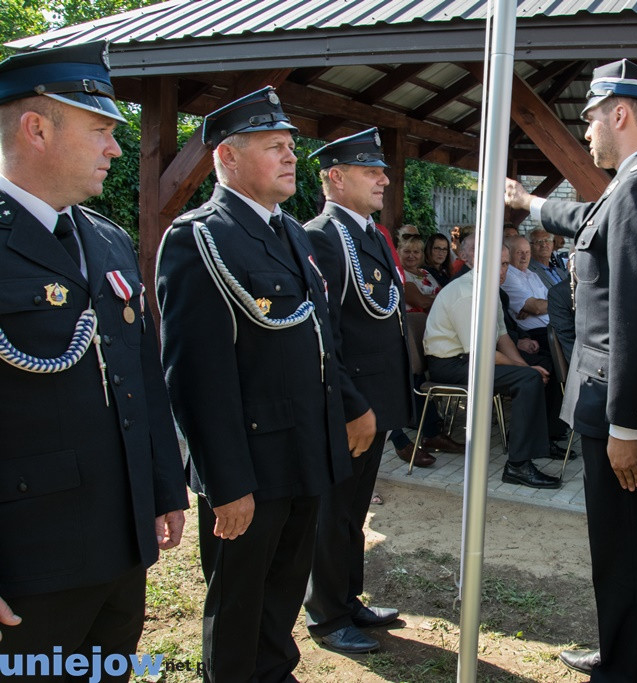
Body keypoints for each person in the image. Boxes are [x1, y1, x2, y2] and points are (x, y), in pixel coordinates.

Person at [505, 59, 637, 681]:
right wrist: (531, 204)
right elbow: (590, 222)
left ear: (619, 113)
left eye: (589, 119)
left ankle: (628, 667)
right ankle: (620, 652)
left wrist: (628, 426)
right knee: (617, 547)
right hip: (611, 403)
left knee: (629, 548)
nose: (585, 132)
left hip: (620, 408)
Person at [0, 40, 188, 663]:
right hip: (31, 558)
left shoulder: (104, 238)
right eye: (101, 130)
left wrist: (165, 487)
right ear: (36, 129)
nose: (115, 147)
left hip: (122, 542)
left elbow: (142, 375)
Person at [157, 86, 349, 680]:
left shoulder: (290, 232)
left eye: (291, 146)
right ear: (228, 158)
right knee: (238, 598)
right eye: (275, 147)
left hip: (302, 450)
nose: (292, 157)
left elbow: (315, 340)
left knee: (286, 583)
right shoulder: (200, 238)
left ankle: (274, 668)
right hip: (250, 462)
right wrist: (226, 481)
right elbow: (195, 375)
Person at [302, 128, 454, 655]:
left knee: (356, 508)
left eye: (382, 170)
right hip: (350, 407)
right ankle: (326, 615)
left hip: (376, 400)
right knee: (334, 510)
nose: (384, 179)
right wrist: (352, 407)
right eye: (372, 171)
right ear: (336, 178)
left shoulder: (367, 233)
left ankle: (348, 598)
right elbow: (325, 334)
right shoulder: (321, 235)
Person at [423, 233, 561, 489]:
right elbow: (481, 352)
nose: (502, 270)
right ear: (481, 262)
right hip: (450, 364)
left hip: (468, 358)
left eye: (505, 264)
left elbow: (502, 337)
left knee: (537, 370)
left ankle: (536, 446)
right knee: (529, 378)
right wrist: (526, 369)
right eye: (497, 264)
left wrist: (526, 366)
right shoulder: (467, 292)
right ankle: (518, 465)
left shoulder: (489, 290)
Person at [502, 235, 551, 346]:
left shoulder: (532, 275)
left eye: (527, 252)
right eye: (519, 253)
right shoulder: (507, 275)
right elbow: (536, 308)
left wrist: (538, 306)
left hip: (551, 329)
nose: (524, 257)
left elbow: (548, 301)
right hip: (536, 335)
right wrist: (535, 306)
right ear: (508, 255)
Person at [399, 235, 441, 312]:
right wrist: (440, 299)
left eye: (416, 252)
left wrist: (427, 297)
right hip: (414, 322)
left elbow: (444, 293)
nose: (411, 256)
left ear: (421, 254)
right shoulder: (400, 274)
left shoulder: (425, 272)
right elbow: (421, 302)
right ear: (399, 252)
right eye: (407, 251)